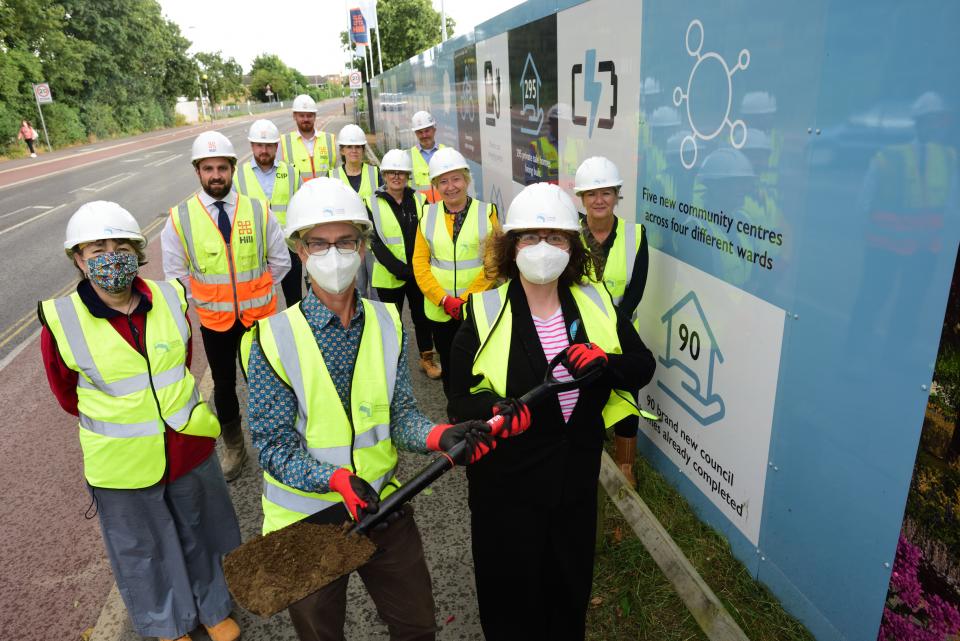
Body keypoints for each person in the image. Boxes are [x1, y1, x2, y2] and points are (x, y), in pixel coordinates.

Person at [241, 177, 494, 641]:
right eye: (319, 243)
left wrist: (440, 436)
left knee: (417, 626)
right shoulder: (269, 339)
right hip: (305, 520)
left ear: (362, 248)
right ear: (300, 250)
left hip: (383, 503)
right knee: (321, 635)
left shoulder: (387, 321)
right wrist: (334, 480)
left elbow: (400, 418)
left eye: (344, 242)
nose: (332, 254)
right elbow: (273, 449)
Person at [447, 183, 656, 641]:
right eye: (530, 238)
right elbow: (458, 400)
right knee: (512, 606)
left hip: (574, 487)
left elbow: (641, 366)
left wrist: (605, 363)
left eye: (556, 238)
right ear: (511, 246)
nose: (543, 249)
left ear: (572, 246)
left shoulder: (597, 302)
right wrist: (495, 409)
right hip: (506, 491)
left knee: (567, 598)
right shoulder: (483, 310)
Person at [39, 201, 241, 641]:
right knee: (144, 551)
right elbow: (67, 394)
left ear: (137, 250)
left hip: (187, 446)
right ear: (77, 258)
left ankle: (213, 608)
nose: (110, 255)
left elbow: (181, 363)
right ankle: (171, 624)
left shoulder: (170, 297)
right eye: (96, 247)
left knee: (199, 533)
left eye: (120, 245)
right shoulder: (61, 320)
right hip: (122, 463)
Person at [161, 131, 290, 481]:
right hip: (215, 321)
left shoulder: (257, 209)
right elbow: (176, 276)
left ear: (233, 168)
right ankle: (234, 446)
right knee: (223, 385)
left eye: (221, 167)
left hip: (258, 318)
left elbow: (280, 262)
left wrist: (256, 291)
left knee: (267, 382)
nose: (215, 175)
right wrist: (209, 298)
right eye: (207, 168)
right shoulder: (181, 218)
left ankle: (276, 442)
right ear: (197, 172)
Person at [574, 156, 649, 484]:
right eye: (592, 194)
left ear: (617, 195)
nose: (599, 200)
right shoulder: (569, 234)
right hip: (579, 332)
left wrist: (613, 324)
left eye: (606, 192)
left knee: (626, 392)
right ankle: (584, 453)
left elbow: (637, 288)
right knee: (582, 394)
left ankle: (625, 467)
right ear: (582, 199)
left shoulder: (635, 235)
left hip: (622, 332)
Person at [412, 147, 499, 396]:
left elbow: (492, 264)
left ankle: (479, 415)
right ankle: (455, 411)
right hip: (440, 309)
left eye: (456, 179)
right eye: (443, 181)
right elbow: (420, 263)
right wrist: (443, 299)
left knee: (478, 365)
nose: (451, 187)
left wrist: (464, 301)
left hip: (476, 308)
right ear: (436, 185)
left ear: (467, 180)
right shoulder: (427, 215)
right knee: (449, 366)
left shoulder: (487, 213)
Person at [365, 149, 440, 379]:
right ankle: (393, 363)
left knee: (422, 318)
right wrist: (400, 270)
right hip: (389, 276)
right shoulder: (371, 203)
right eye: (391, 173)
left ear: (408, 176)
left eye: (401, 173)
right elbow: (373, 241)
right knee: (391, 322)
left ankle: (427, 358)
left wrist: (416, 270)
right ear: (384, 175)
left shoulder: (420, 200)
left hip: (418, 274)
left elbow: (429, 234)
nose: (396, 177)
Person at [234, 119, 304, 306]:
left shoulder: (291, 173)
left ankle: (294, 334)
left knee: (294, 301)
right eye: (259, 145)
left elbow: (302, 210)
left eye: (268, 145)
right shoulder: (237, 176)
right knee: (257, 302)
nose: (263, 150)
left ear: (276, 146)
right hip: (254, 251)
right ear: (252, 145)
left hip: (289, 247)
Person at [280, 94, 337, 180]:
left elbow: (339, 171)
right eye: (302, 115)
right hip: (298, 193)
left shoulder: (330, 140)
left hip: (325, 193)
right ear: (294, 116)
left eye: (309, 115)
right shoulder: (284, 143)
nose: (306, 119)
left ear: (315, 116)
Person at [328, 123, 382, 203]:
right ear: (342, 151)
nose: (354, 151)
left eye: (358, 147)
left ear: (363, 150)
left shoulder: (375, 173)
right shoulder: (332, 176)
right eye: (349, 147)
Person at [409, 110, 445, 203]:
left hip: (445, 210)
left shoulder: (447, 153)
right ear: (415, 134)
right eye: (420, 132)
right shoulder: (407, 157)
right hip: (419, 212)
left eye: (427, 131)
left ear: (434, 130)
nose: (424, 135)